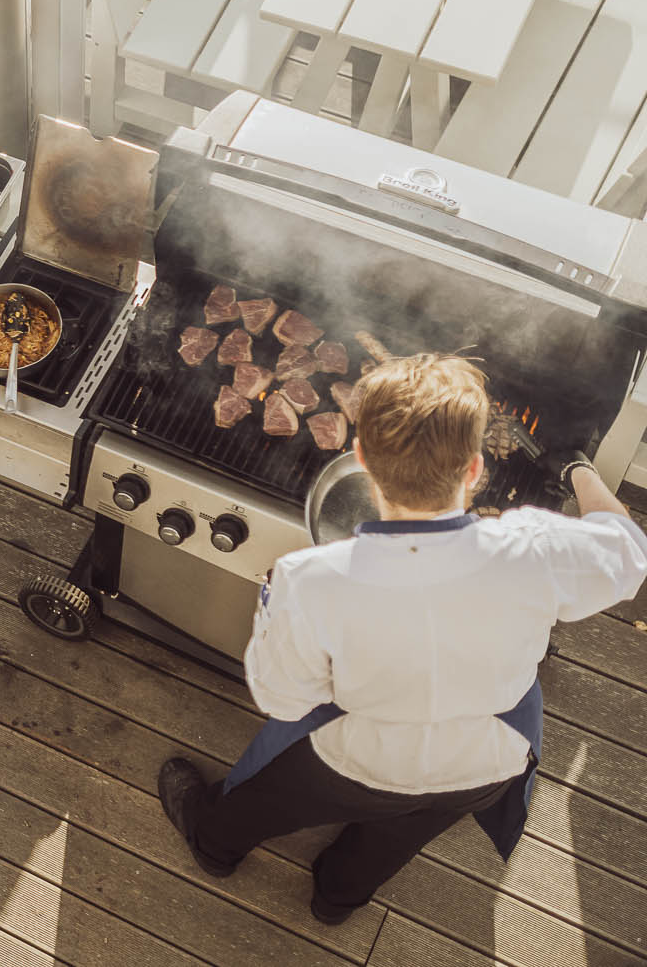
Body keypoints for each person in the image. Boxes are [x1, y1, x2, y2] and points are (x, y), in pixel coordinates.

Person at [158, 354, 647, 924]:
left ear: (360, 459)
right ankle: (336, 900)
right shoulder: (536, 547)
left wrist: (276, 608)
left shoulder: (311, 580)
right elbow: (627, 548)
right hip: (489, 756)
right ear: (473, 470)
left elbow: (283, 701)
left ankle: (214, 847)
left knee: (260, 802)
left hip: (355, 758)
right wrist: (576, 471)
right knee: (398, 836)